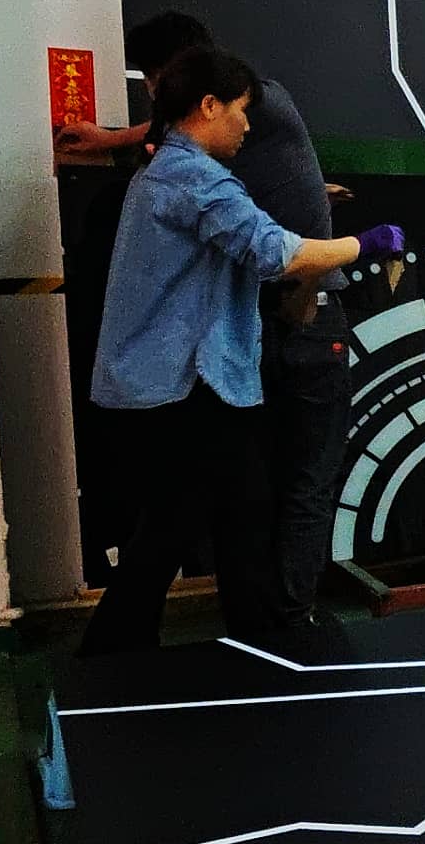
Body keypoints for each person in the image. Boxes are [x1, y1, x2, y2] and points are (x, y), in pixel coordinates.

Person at [80, 47, 402, 656]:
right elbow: (277, 253)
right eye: (240, 110)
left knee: (211, 518)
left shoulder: (165, 173)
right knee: (213, 518)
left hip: (168, 384)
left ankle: (224, 642)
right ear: (209, 106)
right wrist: (368, 244)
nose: (247, 126)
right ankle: (136, 651)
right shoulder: (196, 178)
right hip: (188, 385)